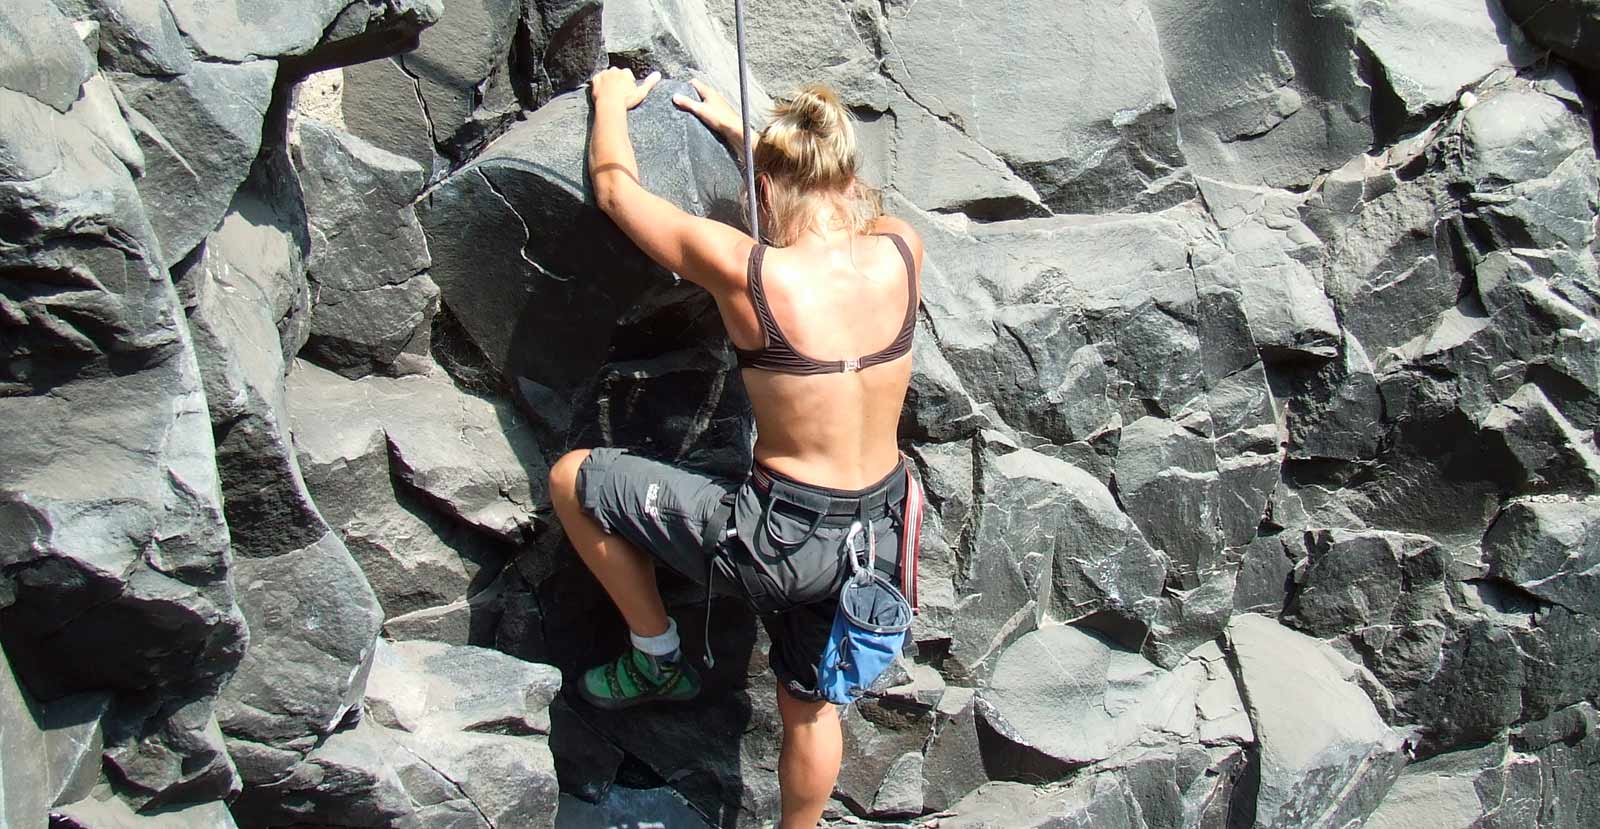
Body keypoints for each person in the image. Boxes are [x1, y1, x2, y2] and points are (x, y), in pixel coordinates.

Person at [546, 66, 924, 829]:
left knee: (571, 478)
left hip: (776, 539)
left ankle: (657, 655)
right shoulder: (902, 248)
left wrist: (610, 102)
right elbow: (836, 188)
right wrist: (744, 136)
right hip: (877, 538)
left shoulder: (752, 273)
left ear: (769, 186)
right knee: (810, 708)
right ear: (843, 174)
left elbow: (618, 192)